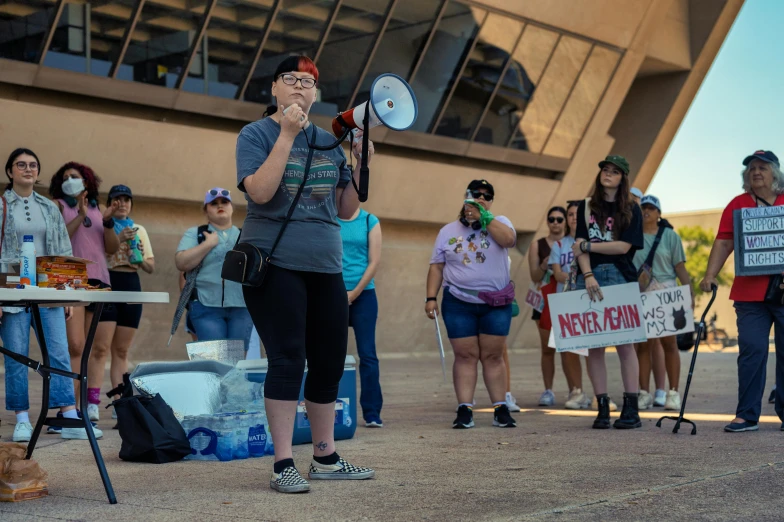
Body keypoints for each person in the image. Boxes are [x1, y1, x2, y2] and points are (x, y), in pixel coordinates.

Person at [235, 55, 375, 493]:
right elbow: (259, 191)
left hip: (326, 266)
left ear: (316, 93)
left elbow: (347, 209)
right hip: (275, 263)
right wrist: (287, 134)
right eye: (291, 80)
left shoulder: (328, 141)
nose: (300, 87)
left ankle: (325, 456)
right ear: (274, 88)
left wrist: (359, 161)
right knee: (289, 357)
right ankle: (281, 463)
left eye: (309, 82)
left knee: (331, 359)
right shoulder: (255, 134)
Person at [1, 148, 103, 441]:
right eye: (21, 165)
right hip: (10, 290)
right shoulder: (1, 206)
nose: (28, 169)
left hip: (48, 289)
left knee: (59, 351)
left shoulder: (49, 207)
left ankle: (69, 414)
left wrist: (67, 293)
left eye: (33, 165)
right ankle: (21, 417)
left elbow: (62, 251)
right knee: (17, 355)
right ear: (10, 172)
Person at [700, 150, 784, 433]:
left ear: (775, 172)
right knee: (752, 350)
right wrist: (710, 274)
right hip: (749, 295)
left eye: (762, 167)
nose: (756, 172)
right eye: (751, 169)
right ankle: (747, 415)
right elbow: (724, 242)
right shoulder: (737, 204)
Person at [426, 179, 517, 430]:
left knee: (493, 355)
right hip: (458, 302)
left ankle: (500, 408)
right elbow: (437, 266)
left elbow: (509, 240)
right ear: (465, 196)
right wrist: (430, 297)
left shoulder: (501, 223)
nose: (481, 198)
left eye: (487, 196)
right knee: (465, 355)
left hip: (495, 303)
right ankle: (465, 409)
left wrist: (485, 217)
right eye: (476, 194)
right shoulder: (447, 231)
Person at [572, 155, 644, 430]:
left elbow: (624, 247)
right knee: (595, 346)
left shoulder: (632, 209)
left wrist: (589, 248)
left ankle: (631, 409)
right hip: (590, 276)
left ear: (623, 178)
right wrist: (588, 274)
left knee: (626, 344)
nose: (608, 174)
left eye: (615, 171)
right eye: (605, 169)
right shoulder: (586, 206)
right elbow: (578, 243)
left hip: (620, 275)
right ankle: (602, 406)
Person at [51, 162, 120, 423]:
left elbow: (111, 249)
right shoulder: (57, 206)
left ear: (87, 181)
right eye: (66, 177)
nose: (70, 180)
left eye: (75, 176)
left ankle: (89, 404)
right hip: (72, 281)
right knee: (76, 346)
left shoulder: (99, 208)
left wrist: (109, 221)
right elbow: (60, 240)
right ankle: (68, 408)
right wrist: (79, 214)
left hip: (100, 282)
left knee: (97, 347)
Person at [174, 188, 253, 349]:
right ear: (206, 210)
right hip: (206, 305)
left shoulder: (246, 234)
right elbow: (181, 263)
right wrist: (207, 244)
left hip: (241, 306)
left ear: (232, 207)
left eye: (224, 202)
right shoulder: (195, 233)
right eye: (213, 203)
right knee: (214, 362)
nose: (220, 206)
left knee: (237, 364)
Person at [633, 195, 690, 411]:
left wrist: (689, 292)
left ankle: (673, 392)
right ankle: (644, 392)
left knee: (669, 343)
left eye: (651, 208)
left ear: (659, 213)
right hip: (642, 293)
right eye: (643, 208)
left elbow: (679, 267)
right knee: (644, 345)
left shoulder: (670, 236)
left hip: (667, 292)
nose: (646, 211)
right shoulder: (633, 236)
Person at [104, 185, 155, 420]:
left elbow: (150, 267)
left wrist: (141, 255)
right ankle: (100, 400)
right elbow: (101, 255)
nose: (122, 203)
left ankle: (121, 401)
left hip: (132, 282)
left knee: (122, 349)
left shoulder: (139, 229)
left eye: (126, 199)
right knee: (100, 348)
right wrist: (117, 238)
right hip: (109, 280)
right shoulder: (104, 225)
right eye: (117, 199)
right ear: (110, 203)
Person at [338, 207, 384, 427]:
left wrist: (353, 293)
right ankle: (330, 408)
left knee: (368, 355)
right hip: (332, 293)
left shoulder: (369, 220)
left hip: (364, 295)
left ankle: (372, 412)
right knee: (331, 356)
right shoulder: (325, 217)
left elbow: (374, 261)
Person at [548, 201, 590, 409]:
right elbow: (557, 274)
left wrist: (575, 277)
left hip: (587, 301)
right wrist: (582, 277)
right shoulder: (558, 245)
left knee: (592, 348)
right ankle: (576, 390)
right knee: (568, 349)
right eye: (570, 214)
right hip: (564, 301)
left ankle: (599, 392)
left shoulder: (592, 241)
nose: (574, 217)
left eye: (577, 214)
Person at [528, 206, 565, 406]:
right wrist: (544, 264)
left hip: (566, 297)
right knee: (548, 348)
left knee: (572, 349)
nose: (556, 223)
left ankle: (576, 390)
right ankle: (548, 390)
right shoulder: (538, 245)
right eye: (552, 219)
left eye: (560, 219)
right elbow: (534, 276)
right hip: (544, 299)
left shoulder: (570, 244)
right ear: (547, 221)